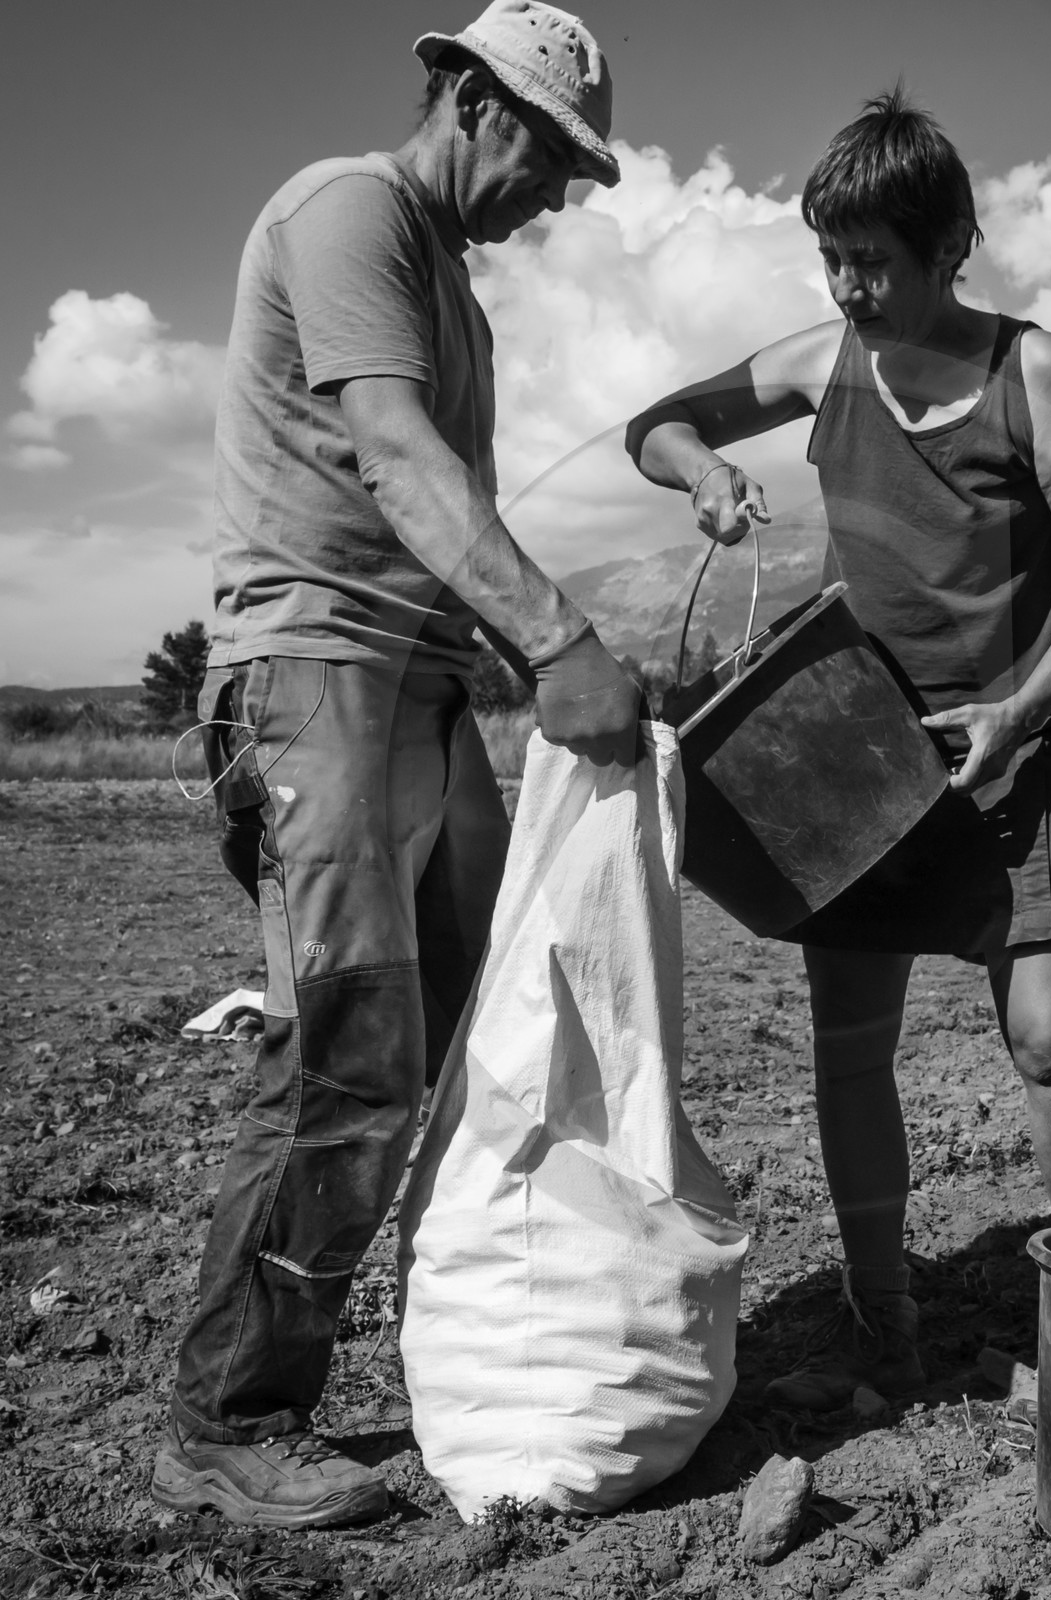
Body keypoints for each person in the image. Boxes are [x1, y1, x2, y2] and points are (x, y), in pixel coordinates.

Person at [153, 1, 639, 1528]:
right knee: (350, 1042)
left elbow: (451, 524)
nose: (557, 197)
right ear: (471, 100)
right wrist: (561, 648)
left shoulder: (464, 302)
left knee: (462, 1015)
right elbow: (397, 459)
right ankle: (228, 1420)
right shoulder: (348, 208)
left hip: (416, 684)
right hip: (315, 673)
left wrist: (528, 667)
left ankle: (384, 1337)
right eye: (554, 160)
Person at [626, 89, 1051, 1410]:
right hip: (858, 764)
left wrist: (1021, 710)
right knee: (849, 1048)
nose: (851, 289)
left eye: (877, 262)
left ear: (951, 245)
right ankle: (881, 1307)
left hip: (1021, 752)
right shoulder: (820, 364)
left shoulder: (1033, 374)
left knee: (1048, 1037)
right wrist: (702, 474)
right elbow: (659, 424)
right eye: (833, 260)